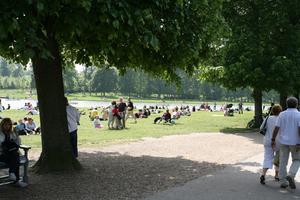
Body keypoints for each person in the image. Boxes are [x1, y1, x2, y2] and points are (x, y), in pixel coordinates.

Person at [272, 97, 300, 189]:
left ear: (287, 104)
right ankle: (291, 175)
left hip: (283, 141)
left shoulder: (282, 114)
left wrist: (273, 139)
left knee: (283, 161)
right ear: (297, 104)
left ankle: (283, 181)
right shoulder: (299, 115)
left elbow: (276, 128)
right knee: (297, 160)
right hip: (296, 142)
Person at [0, 118, 28, 187]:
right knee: (16, 158)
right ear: (2, 125)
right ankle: (15, 179)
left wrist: (17, 135)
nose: (7, 126)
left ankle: (13, 174)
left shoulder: (12, 133)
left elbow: (18, 143)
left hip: (11, 154)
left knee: (15, 155)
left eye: (9, 125)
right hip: (1, 155)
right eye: (5, 125)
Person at [259, 104, 282, 184]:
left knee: (267, 157)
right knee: (278, 158)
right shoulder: (281, 119)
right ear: (280, 111)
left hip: (268, 140)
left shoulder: (268, 118)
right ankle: (276, 175)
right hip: (279, 141)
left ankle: (263, 174)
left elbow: (261, 128)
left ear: (272, 111)